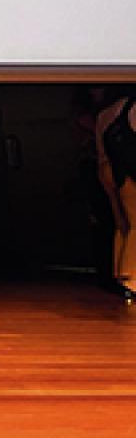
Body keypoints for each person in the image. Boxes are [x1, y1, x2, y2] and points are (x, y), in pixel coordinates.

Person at [96, 86, 136, 304]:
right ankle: (132, 279)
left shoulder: (105, 114)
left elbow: (102, 152)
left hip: (112, 170)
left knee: (123, 222)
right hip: (129, 171)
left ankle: (124, 274)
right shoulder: (130, 108)